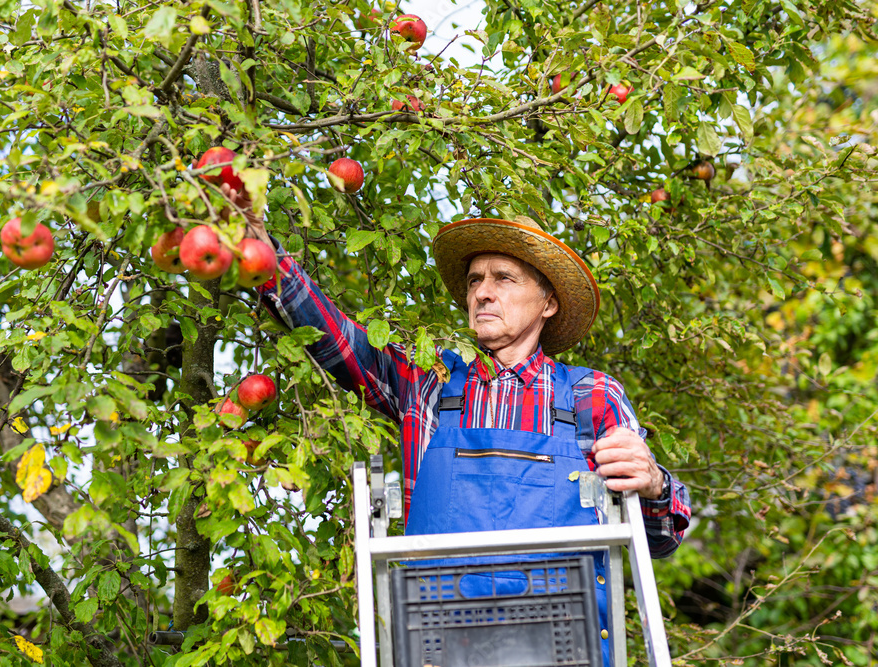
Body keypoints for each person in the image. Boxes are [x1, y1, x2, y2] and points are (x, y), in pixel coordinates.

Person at [240, 205, 691, 664]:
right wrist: (262, 252)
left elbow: (658, 538)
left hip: (565, 648)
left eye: (504, 278)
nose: (483, 293)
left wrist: (652, 482)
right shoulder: (428, 381)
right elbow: (335, 338)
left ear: (548, 303)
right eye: (475, 281)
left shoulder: (590, 395)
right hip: (437, 645)